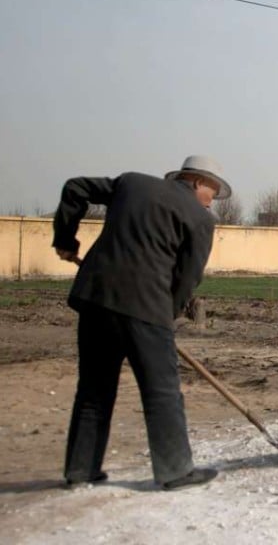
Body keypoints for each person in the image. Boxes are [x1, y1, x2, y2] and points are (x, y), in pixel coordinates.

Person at [52, 155, 231, 491]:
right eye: (213, 191)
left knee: (94, 389)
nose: (212, 201)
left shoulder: (131, 183)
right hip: (147, 307)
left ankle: (81, 470)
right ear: (196, 181)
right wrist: (166, 315)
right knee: (162, 392)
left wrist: (65, 239)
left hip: (96, 298)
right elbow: (187, 279)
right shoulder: (200, 219)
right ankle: (176, 472)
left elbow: (75, 187)